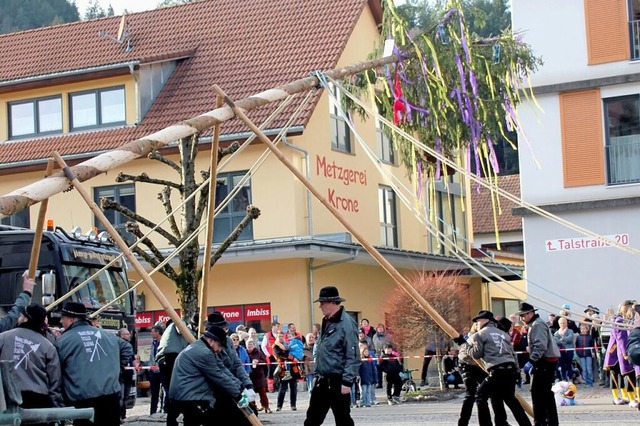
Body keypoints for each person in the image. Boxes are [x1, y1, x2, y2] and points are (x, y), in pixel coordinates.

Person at [55, 301, 132, 426]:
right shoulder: (108, 335)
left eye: (62, 318)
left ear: (71, 319)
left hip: (84, 401)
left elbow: (56, 371)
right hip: (111, 396)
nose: (60, 322)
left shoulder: (63, 341)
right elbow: (127, 347)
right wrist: (119, 367)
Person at [458, 311, 531, 426]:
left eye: (478, 321)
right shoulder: (504, 334)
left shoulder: (480, 334)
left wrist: (464, 345)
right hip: (511, 370)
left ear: (486, 320)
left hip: (497, 371)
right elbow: (513, 355)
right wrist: (517, 373)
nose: (477, 323)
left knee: (480, 396)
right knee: (509, 399)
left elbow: (476, 354)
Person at [168, 325, 252, 425]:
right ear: (211, 340)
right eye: (219, 345)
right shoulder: (204, 353)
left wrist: (241, 387)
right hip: (189, 398)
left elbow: (223, 370)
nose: (220, 349)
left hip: (187, 394)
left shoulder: (202, 348)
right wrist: (238, 396)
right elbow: (219, 376)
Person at [304, 286, 360, 426]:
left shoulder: (346, 323)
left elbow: (352, 354)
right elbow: (323, 350)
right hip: (323, 379)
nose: (320, 306)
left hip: (338, 380)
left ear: (332, 303)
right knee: (312, 419)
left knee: (342, 419)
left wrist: (347, 381)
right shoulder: (327, 321)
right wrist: (317, 374)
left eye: (322, 303)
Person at [0, 303, 62, 425]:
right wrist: (57, 411)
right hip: (38, 402)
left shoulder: (3, 337)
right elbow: (55, 383)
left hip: (7, 398)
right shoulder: (48, 347)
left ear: (25, 318)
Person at [517, 302, 560, 426]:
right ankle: (549, 421)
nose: (521, 318)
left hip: (544, 362)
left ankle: (540, 422)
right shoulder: (535, 324)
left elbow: (540, 346)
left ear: (531, 313)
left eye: (523, 315)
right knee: (544, 394)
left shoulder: (537, 325)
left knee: (538, 393)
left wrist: (531, 361)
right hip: (545, 361)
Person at [155, 315, 198, 426]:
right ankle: (185, 415)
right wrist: (195, 336)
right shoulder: (179, 324)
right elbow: (182, 330)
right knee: (180, 390)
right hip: (171, 358)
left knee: (172, 390)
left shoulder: (170, 333)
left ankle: (173, 418)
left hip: (164, 359)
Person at [603, 300, 636, 406]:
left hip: (619, 351)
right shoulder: (619, 321)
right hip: (615, 351)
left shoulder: (623, 320)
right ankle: (616, 397)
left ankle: (624, 395)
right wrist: (625, 353)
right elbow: (621, 339)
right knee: (615, 375)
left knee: (622, 375)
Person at [273, 331, 301, 411]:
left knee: (294, 388)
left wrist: (295, 356)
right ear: (277, 337)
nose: (281, 338)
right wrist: (292, 357)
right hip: (283, 370)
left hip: (293, 369)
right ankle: (279, 406)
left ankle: (293, 405)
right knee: (282, 389)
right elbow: (280, 355)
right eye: (279, 336)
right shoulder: (276, 346)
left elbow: (294, 350)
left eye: (282, 336)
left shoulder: (287, 345)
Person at [246, 339, 271, 414]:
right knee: (251, 393)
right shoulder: (245, 353)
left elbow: (264, 362)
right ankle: (253, 407)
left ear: (254, 345)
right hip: (250, 376)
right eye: (248, 344)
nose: (250, 346)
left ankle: (266, 406)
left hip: (259, 376)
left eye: (251, 344)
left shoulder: (259, 353)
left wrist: (258, 362)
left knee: (262, 393)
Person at [116, 327, 135, 423]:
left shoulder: (129, 345)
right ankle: (119, 415)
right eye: (127, 334)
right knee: (121, 396)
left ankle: (124, 415)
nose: (129, 335)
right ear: (122, 335)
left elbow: (132, 359)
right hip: (121, 375)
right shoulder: (118, 345)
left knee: (126, 396)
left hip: (128, 374)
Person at [148, 324, 165, 415]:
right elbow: (151, 356)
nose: (151, 333)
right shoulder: (153, 343)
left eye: (152, 331)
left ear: (157, 332)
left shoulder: (165, 342)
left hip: (162, 371)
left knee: (164, 392)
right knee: (154, 393)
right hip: (153, 372)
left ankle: (164, 410)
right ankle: (152, 412)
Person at [553, 317, 575, 382]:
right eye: (561, 323)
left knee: (569, 364)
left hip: (569, 351)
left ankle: (570, 378)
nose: (562, 324)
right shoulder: (556, 333)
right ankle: (564, 379)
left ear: (566, 323)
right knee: (562, 365)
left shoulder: (570, 331)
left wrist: (562, 339)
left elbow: (570, 339)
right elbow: (556, 341)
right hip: (561, 351)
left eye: (564, 323)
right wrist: (565, 339)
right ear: (559, 324)